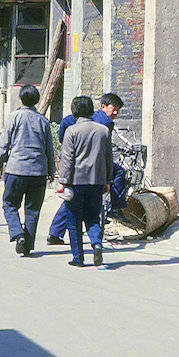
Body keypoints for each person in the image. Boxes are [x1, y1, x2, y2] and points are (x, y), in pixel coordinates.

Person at [47, 92, 127, 244]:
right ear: (103, 107)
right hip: (90, 166)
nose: (115, 112)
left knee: (72, 200)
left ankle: (55, 233)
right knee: (119, 172)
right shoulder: (106, 123)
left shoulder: (81, 118)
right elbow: (105, 151)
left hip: (75, 164)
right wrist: (107, 180)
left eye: (118, 109)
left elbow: (65, 121)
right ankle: (116, 207)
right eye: (113, 108)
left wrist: (61, 139)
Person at [0, 85, 55, 258]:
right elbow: (49, 149)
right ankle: (27, 245)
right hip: (38, 171)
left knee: (9, 204)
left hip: (16, 170)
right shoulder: (42, 120)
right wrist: (51, 170)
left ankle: (18, 234)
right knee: (32, 210)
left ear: (21, 99)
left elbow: (4, 142)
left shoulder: (14, 117)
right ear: (36, 101)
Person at [55, 95, 113, 267]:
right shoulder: (103, 130)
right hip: (96, 182)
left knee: (73, 220)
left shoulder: (71, 131)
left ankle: (78, 258)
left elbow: (67, 159)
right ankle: (96, 243)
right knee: (93, 217)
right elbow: (108, 158)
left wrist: (62, 181)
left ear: (74, 111)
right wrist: (107, 180)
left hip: (75, 182)